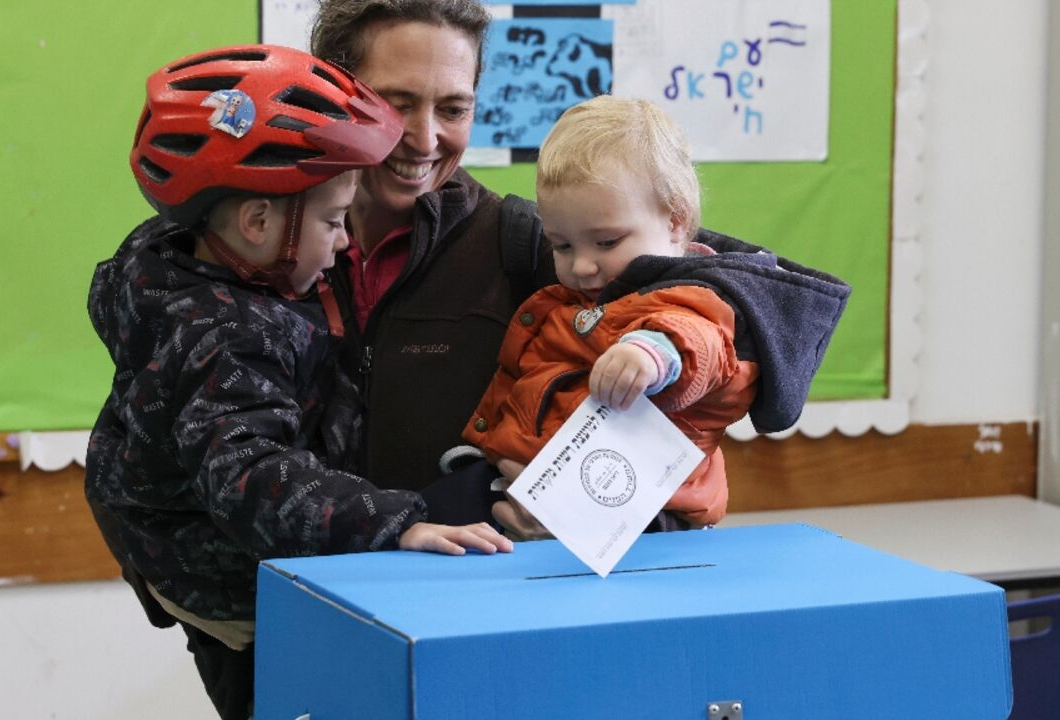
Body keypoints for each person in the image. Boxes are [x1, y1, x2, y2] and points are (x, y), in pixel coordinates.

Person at [84, 44, 511, 720]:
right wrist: (393, 523)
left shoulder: (180, 266)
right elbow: (250, 475)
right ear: (257, 224)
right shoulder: (223, 335)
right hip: (241, 601)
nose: (343, 243)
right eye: (334, 222)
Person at [459, 96, 851, 537]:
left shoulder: (692, 296)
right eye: (562, 245)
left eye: (606, 242)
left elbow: (700, 340)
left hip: (646, 516)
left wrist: (652, 354)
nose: (582, 265)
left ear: (675, 221)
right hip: (544, 485)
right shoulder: (585, 298)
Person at [309, 0, 557, 497]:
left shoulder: (530, 243)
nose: (425, 140)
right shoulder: (266, 240)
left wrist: (562, 506)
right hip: (300, 552)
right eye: (396, 104)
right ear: (330, 95)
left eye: (453, 109)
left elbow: (719, 279)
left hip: (477, 551)